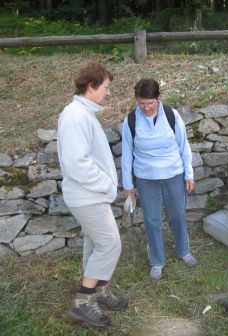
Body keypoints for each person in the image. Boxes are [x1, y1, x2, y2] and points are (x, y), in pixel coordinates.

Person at [57, 63, 128, 327]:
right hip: (88, 195)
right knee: (110, 244)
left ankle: (96, 292)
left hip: (90, 195)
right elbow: (77, 164)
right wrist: (107, 185)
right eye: (106, 87)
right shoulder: (75, 115)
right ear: (92, 86)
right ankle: (83, 303)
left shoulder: (82, 113)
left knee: (95, 245)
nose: (108, 93)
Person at [121, 78, 197, 281]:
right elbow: (127, 153)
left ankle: (183, 250)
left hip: (174, 173)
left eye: (150, 103)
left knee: (178, 215)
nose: (146, 108)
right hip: (146, 178)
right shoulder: (130, 121)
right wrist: (128, 184)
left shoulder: (172, 115)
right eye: (142, 104)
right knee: (152, 220)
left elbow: (184, 146)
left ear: (158, 99)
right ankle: (157, 261)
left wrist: (189, 174)